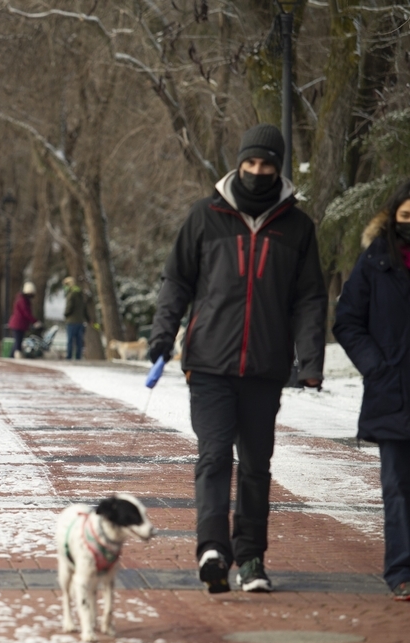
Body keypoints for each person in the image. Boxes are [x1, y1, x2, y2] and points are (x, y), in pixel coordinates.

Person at [148, 123, 326, 594]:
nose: (257, 171)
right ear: (239, 162)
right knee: (212, 456)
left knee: (255, 466)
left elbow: (309, 299)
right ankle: (212, 549)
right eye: (251, 162)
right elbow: (176, 282)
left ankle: (250, 558)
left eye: (267, 164)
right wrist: (162, 337)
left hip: (266, 367)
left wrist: (310, 360)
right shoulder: (205, 216)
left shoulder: (297, 227)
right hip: (208, 363)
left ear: (277, 168)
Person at [333, 180, 410, 602]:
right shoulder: (376, 260)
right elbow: (347, 320)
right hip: (393, 391)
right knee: (398, 486)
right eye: (405, 217)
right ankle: (401, 571)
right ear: (393, 216)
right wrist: (375, 366)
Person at [8, 282, 38, 359]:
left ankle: (11, 357)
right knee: (18, 342)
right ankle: (13, 357)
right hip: (18, 324)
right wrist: (34, 321)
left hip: (19, 324)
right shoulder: (22, 301)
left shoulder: (22, 299)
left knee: (18, 342)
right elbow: (26, 313)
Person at [62, 276, 89, 360]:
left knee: (70, 340)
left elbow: (69, 307)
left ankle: (69, 356)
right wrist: (87, 319)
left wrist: (65, 314)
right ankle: (78, 357)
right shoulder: (80, 294)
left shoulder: (71, 294)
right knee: (79, 341)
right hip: (80, 321)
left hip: (71, 321)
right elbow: (84, 308)